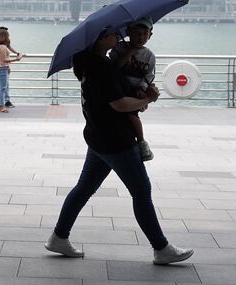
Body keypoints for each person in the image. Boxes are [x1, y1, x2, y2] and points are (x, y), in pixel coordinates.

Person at [45, 27, 193, 265]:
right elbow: (119, 104)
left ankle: (59, 237)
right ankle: (161, 247)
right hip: (116, 140)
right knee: (141, 192)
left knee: (84, 188)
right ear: (102, 37)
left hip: (97, 135)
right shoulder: (101, 66)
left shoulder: (85, 62)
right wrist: (147, 99)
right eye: (114, 34)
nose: (119, 37)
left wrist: (137, 97)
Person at [111, 18, 161, 161]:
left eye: (145, 34)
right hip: (120, 86)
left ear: (150, 35)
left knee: (131, 114)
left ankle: (140, 141)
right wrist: (128, 54)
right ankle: (140, 141)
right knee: (131, 114)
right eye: (137, 33)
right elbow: (114, 68)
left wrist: (142, 90)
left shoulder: (149, 55)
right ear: (128, 33)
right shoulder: (120, 48)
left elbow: (149, 76)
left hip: (136, 89)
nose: (141, 37)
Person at [0, 26, 24, 112]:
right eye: (7, 35)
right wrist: (16, 59)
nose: (9, 36)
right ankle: (2, 106)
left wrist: (18, 54)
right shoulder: (2, 47)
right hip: (2, 68)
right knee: (3, 88)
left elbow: (4, 56)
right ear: (5, 36)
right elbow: (4, 59)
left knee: (1, 88)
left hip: (0, 67)